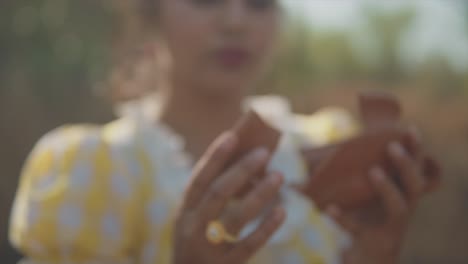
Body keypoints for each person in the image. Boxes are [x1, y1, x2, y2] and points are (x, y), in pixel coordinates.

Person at [9, 0, 429, 263]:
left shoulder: (325, 152)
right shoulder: (94, 170)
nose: (235, 20)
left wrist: (375, 256)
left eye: (259, 3)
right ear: (153, 14)